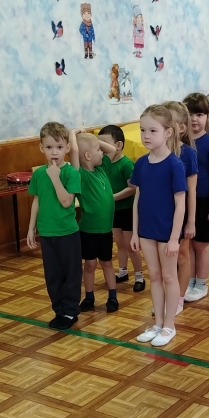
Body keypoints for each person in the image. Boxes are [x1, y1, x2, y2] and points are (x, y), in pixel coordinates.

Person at [130, 105, 188, 348]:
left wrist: (174, 238)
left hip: (166, 232)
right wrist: (135, 231)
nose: (146, 135)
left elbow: (181, 204)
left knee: (168, 276)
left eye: (152, 130)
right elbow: (138, 198)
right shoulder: (141, 163)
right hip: (146, 230)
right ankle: (157, 323)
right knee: (153, 275)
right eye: (143, 130)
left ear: (168, 132)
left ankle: (169, 325)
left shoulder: (175, 165)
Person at [26, 122, 82, 330]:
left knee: (71, 274)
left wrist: (56, 178)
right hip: (47, 233)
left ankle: (70, 312)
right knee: (53, 275)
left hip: (67, 233)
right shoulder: (39, 173)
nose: (54, 152)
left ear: (67, 147)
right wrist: (31, 228)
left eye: (59, 147)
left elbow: (67, 201)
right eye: (49, 147)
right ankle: (59, 311)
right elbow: (37, 201)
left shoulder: (70, 173)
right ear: (42, 148)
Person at [69, 129, 120, 314]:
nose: (102, 152)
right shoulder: (80, 175)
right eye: (98, 150)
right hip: (88, 231)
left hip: (105, 230)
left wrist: (93, 139)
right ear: (88, 155)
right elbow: (74, 153)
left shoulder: (102, 169)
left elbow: (113, 150)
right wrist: (73, 134)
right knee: (90, 265)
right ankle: (89, 296)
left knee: (107, 263)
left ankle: (112, 296)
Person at [183, 92, 209, 300]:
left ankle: (201, 283)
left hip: (204, 200)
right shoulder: (180, 142)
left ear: (207, 116)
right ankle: (189, 280)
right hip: (183, 200)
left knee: (201, 244)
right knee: (188, 244)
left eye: (199, 114)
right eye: (190, 114)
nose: (194, 119)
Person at [97, 123, 144, 293]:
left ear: (118, 145)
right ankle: (123, 271)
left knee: (131, 246)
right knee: (119, 243)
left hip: (128, 210)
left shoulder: (126, 164)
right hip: (113, 211)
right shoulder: (104, 164)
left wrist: (112, 197)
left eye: (104, 144)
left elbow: (133, 187)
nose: (102, 149)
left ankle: (139, 276)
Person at [164, 101, 199, 314]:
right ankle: (168, 297)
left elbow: (191, 191)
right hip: (161, 215)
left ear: (181, 127)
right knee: (165, 259)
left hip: (181, 213)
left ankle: (178, 299)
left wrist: (191, 221)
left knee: (182, 255)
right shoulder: (156, 152)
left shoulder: (188, 153)